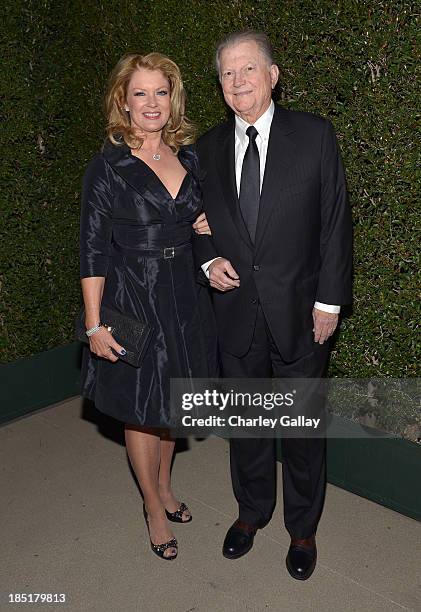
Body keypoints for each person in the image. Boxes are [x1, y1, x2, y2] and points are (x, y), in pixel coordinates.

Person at [193, 30, 352, 580]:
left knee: (304, 431)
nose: (237, 82)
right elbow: (196, 223)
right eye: (227, 75)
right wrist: (208, 260)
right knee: (248, 427)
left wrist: (330, 302)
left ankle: (302, 529)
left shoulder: (313, 136)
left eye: (248, 70)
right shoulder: (207, 148)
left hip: (301, 315)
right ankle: (251, 513)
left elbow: (334, 224)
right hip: (235, 314)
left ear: (273, 74)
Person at [79, 52, 215, 560]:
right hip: (131, 294)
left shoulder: (190, 155)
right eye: (141, 93)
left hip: (183, 294)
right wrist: (94, 324)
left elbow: (200, 214)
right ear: (124, 101)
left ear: (172, 98)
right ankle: (153, 507)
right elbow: (91, 248)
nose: (152, 103)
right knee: (141, 408)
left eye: (161, 92)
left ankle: (164, 486)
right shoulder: (108, 166)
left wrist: (204, 227)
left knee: (168, 403)